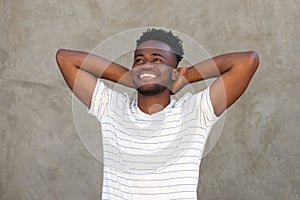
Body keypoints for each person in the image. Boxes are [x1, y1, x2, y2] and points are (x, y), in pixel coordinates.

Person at [56, 28, 259, 200]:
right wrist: (132, 78)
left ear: (174, 71)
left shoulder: (195, 112)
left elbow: (247, 62)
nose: (147, 64)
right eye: (139, 60)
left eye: (157, 59)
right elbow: (65, 59)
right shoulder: (111, 108)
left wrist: (186, 76)